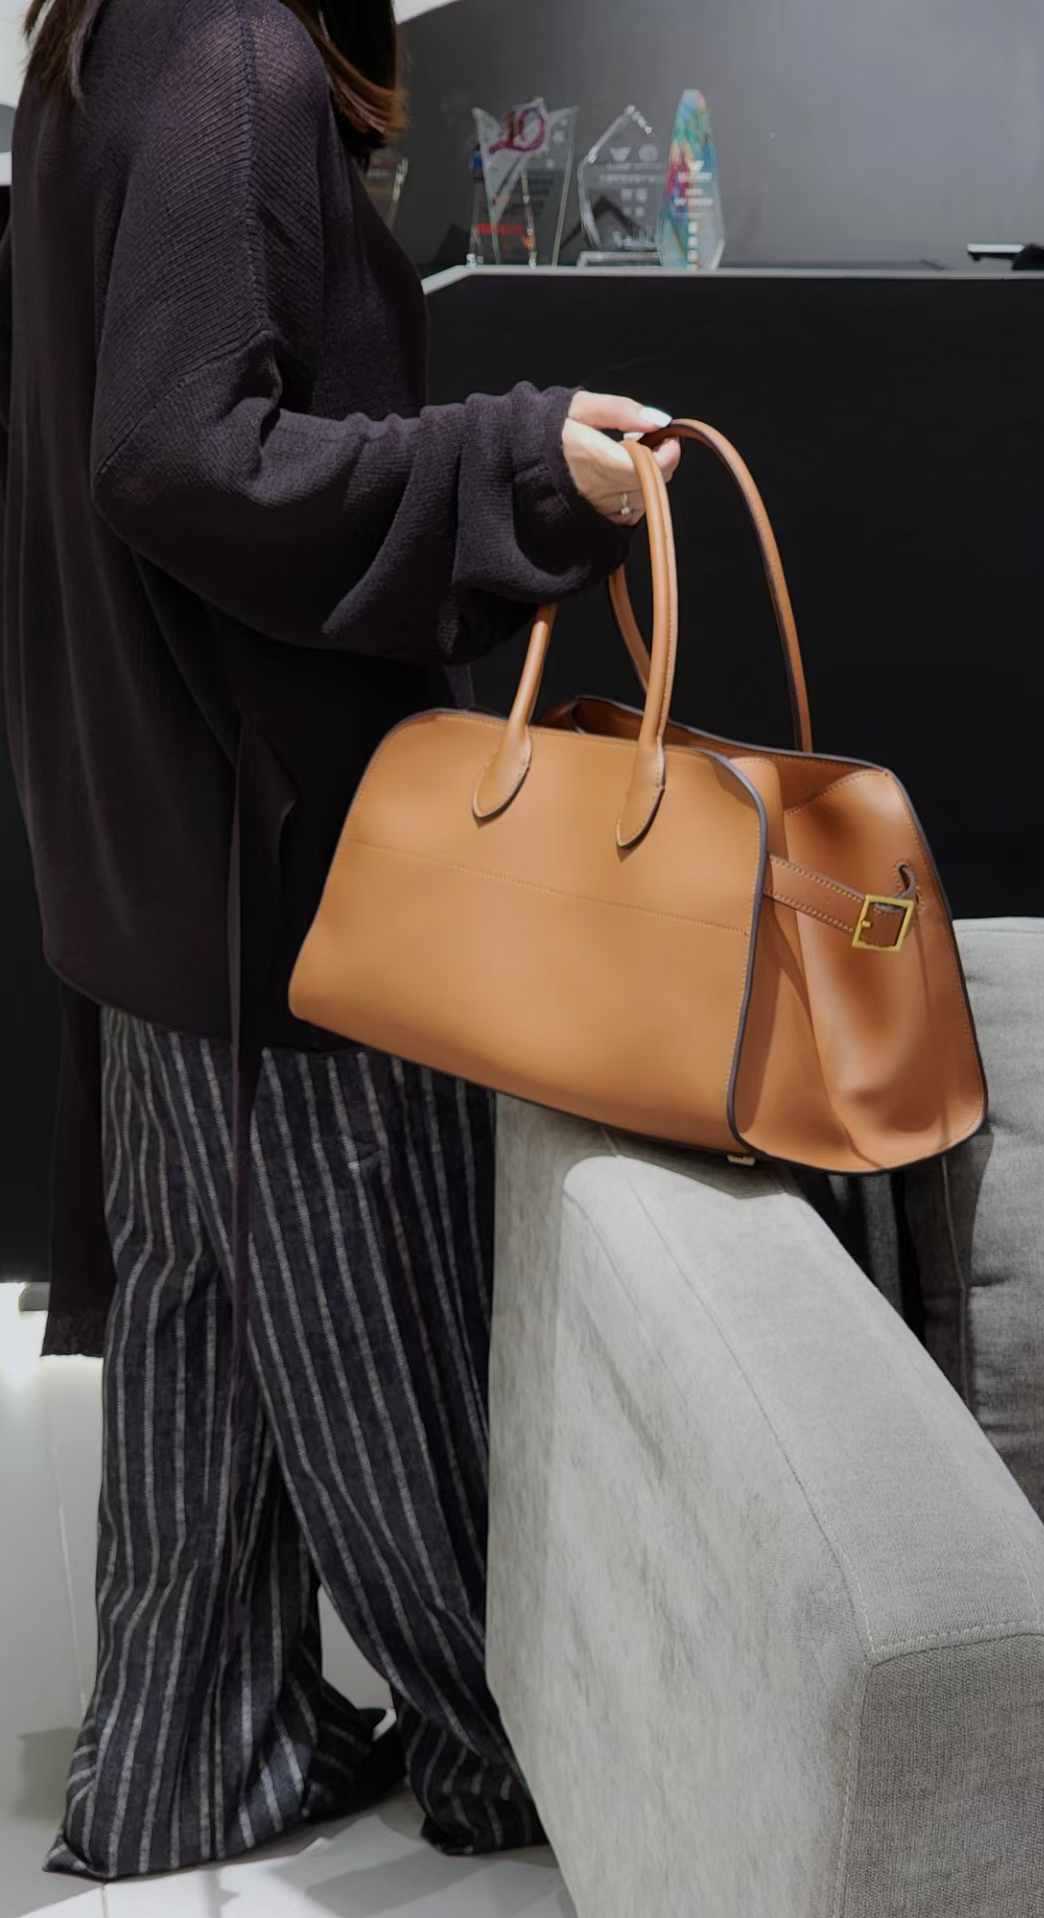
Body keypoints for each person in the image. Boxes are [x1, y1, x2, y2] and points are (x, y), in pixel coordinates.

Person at [0, 0, 681, 1883]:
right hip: (292, 867)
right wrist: (521, 464)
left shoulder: (106, 42)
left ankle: (189, 1757)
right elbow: (177, 455)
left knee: (209, 1338)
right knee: (380, 1327)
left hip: (164, 858)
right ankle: (517, 1754)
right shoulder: (237, 52)